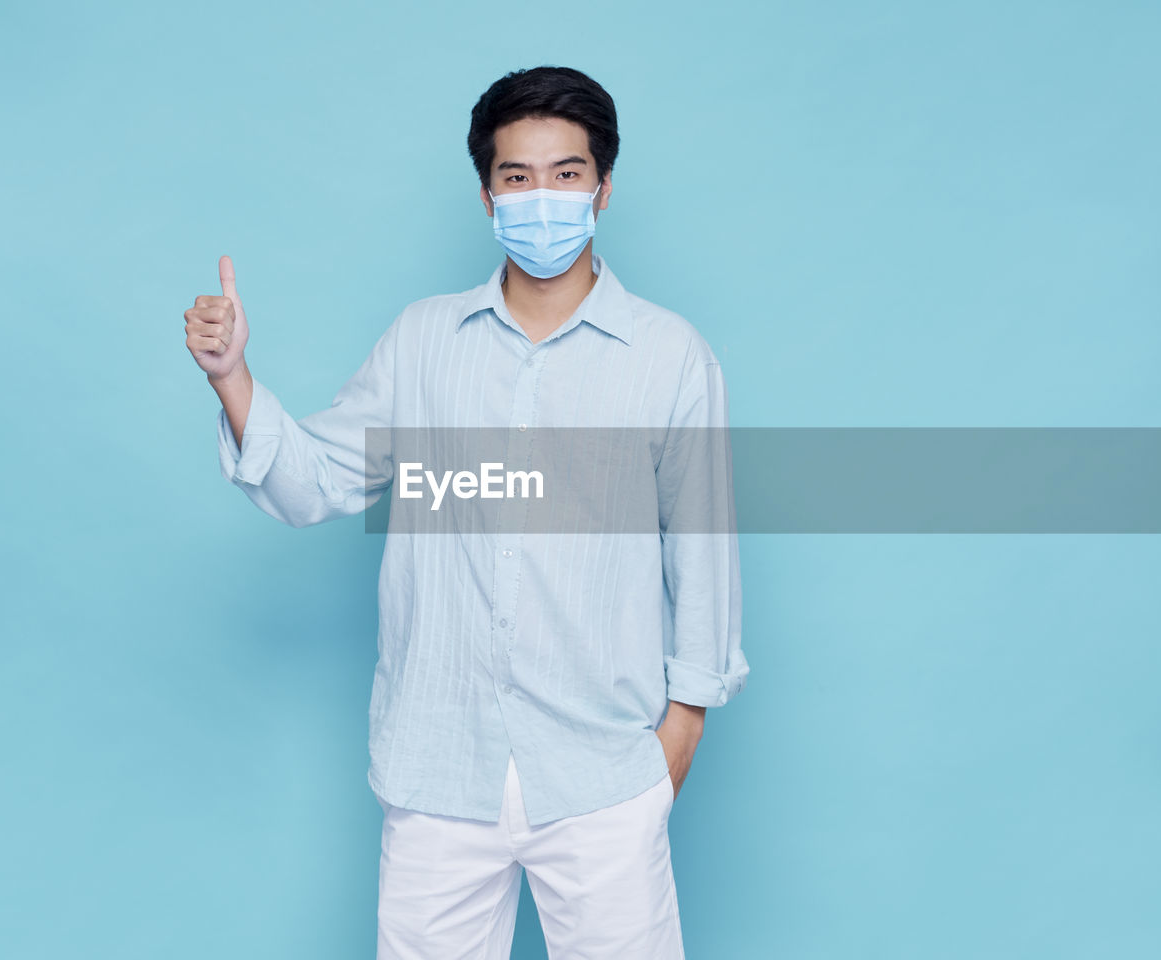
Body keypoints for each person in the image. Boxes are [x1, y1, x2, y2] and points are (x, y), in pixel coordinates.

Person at [183, 64, 749, 960]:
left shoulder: (670, 358)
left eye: (566, 174)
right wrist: (234, 379)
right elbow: (313, 480)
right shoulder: (422, 343)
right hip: (438, 765)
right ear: (487, 195)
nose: (543, 197)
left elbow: (704, 550)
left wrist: (683, 725)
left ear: (603, 187)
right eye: (518, 177)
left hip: (603, 771)